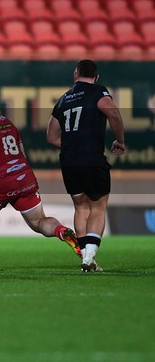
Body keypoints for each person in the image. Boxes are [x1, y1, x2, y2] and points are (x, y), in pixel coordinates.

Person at [0, 89, 81, 272]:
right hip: (25, 177)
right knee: (39, 221)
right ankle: (62, 231)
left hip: (1, 181)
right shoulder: (6, 121)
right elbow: (21, 152)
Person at [47, 59, 125, 272]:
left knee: (80, 207)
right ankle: (89, 257)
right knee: (98, 206)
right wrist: (120, 140)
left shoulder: (63, 100)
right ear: (96, 76)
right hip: (91, 158)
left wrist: (72, 144)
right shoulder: (98, 92)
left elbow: (51, 137)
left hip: (69, 160)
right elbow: (114, 114)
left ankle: (85, 258)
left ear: (75, 74)